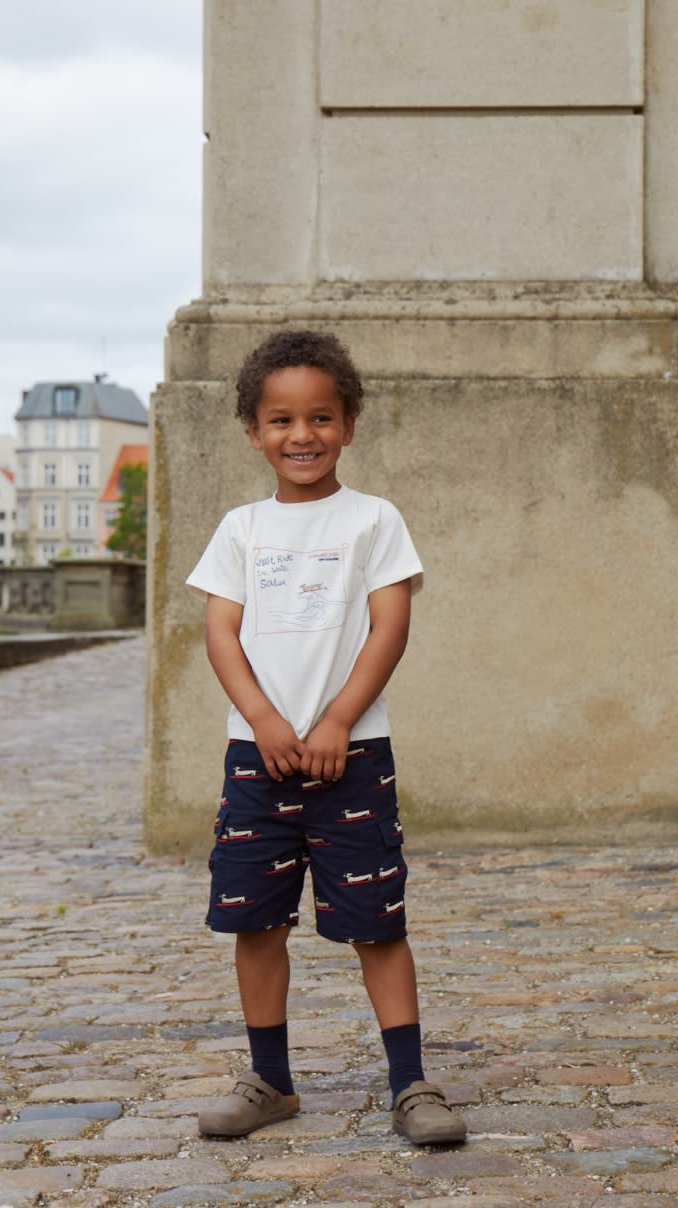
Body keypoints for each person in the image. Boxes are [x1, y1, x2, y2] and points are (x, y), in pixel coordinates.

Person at [186, 329, 466, 1147]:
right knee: (254, 922)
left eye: (319, 418)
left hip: (354, 761)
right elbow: (221, 635)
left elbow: (389, 626)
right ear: (254, 432)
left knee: (377, 923)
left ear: (347, 425)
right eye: (280, 420)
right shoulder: (240, 530)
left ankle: (411, 1084)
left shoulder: (375, 521)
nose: (300, 435)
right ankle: (270, 1080)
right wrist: (267, 722)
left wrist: (339, 718)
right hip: (258, 762)